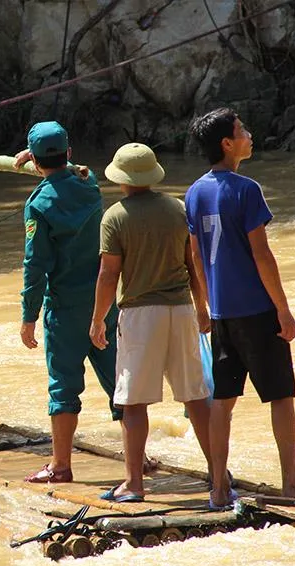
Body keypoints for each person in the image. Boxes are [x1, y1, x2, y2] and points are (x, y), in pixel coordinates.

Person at [186, 108, 295, 508]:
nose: (249, 135)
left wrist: (206, 304)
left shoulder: (194, 192)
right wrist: (283, 310)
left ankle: (218, 488)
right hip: (256, 310)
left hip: (222, 314)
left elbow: (197, 257)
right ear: (227, 143)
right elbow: (262, 255)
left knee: (223, 401)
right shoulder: (246, 189)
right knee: (281, 395)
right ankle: (293, 482)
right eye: (242, 131)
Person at [90, 143, 213, 502]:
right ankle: (219, 473)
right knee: (195, 397)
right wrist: (202, 308)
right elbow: (193, 263)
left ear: (121, 179)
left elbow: (108, 275)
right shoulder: (178, 209)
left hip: (141, 315)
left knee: (133, 403)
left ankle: (133, 484)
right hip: (181, 310)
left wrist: (98, 319)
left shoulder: (115, 217)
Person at [14, 121, 123, 483]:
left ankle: (61, 466)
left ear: (35, 162)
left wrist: (29, 316)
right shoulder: (90, 186)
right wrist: (45, 161)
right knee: (120, 382)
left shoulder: (39, 204)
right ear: (70, 153)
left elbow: (35, 265)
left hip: (64, 309)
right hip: (104, 305)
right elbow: (76, 172)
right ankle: (139, 459)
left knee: (63, 386)